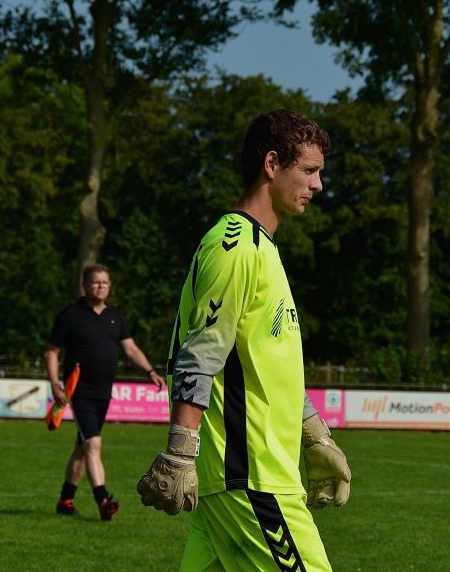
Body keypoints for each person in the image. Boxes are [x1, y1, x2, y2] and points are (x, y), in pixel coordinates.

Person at [137, 110, 351, 570]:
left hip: (252, 477)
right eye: (309, 171)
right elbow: (201, 351)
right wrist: (179, 452)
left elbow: (267, 365)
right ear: (272, 164)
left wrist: (315, 436)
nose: (317, 186)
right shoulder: (235, 246)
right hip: (250, 482)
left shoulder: (263, 249)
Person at [46, 263, 165, 520]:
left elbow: (131, 349)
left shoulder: (115, 316)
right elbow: (52, 352)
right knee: (93, 443)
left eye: (105, 282)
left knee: (83, 447)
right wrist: (56, 384)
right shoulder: (70, 315)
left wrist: (150, 372)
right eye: (95, 282)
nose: (101, 286)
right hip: (78, 391)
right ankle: (103, 500)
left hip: (103, 393)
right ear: (85, 285)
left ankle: (65, 500)